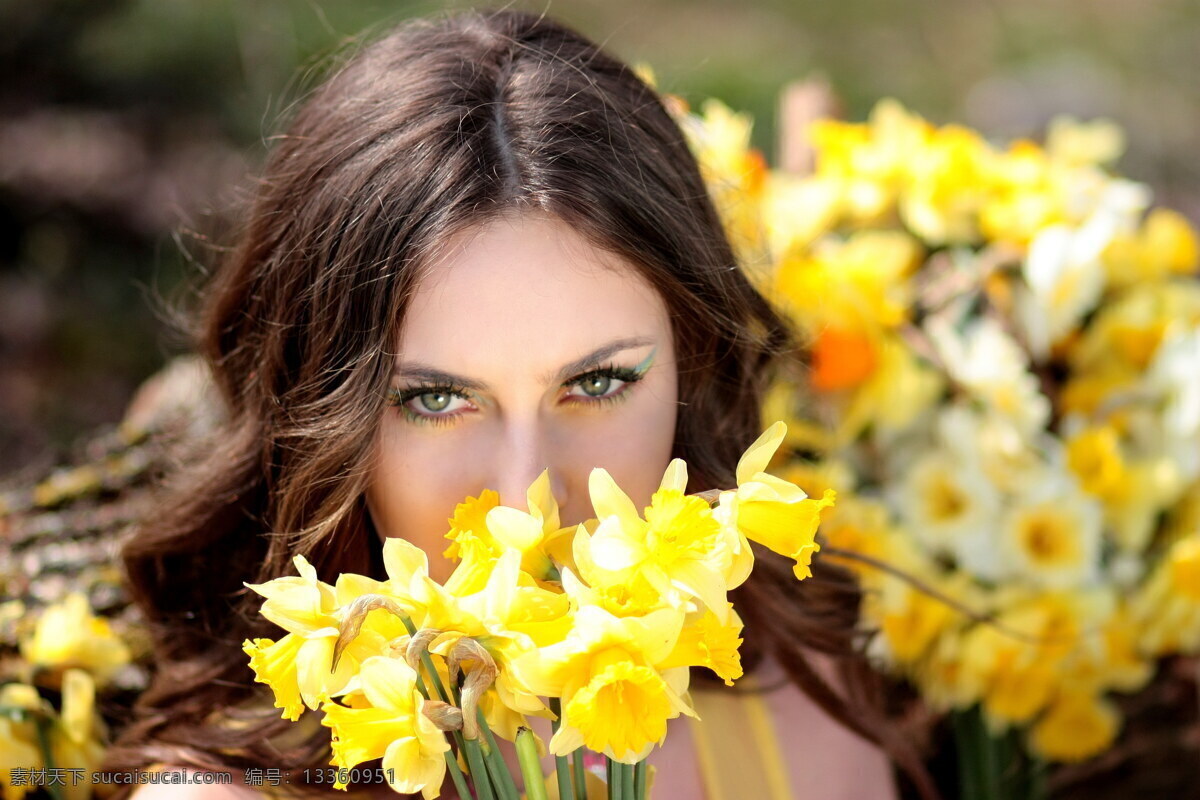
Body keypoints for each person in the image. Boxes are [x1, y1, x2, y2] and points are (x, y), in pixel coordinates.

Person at [104, 8, 931, 799]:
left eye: (599, 383)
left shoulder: (804, 726)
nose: (526, 504)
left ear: (694, 364)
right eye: (436, 399)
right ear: (318, 414)